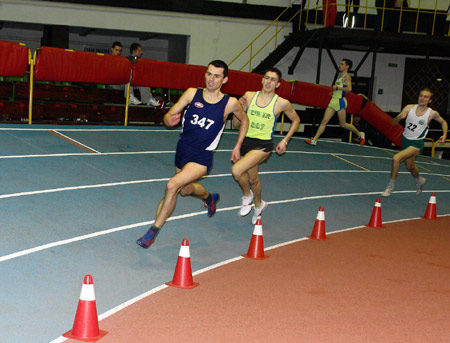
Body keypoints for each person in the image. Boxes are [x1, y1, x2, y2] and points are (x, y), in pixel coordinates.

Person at [136, 60, 249, 248]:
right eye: (209, 74)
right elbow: (168, 116)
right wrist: (167, 120)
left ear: (225, 79)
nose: (211, 79)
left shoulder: (229, 103)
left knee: (172, 185)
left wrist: (238, 146)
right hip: (183, 149)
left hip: (202, 156)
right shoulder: (191, 93)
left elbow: (244, 121)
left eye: (216, 76)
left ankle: (152, 232)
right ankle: (209, 198)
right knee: (185, 189)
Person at [232, 68, 300, 224]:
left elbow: (296, 120)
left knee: (236, 170)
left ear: (278, 84)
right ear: (262, 80)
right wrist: (239, 110)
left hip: (263, 145)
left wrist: (285, 140)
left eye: (273, 80)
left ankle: (247, 195)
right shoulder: (249, 96)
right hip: (245, 142)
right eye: (267, 78)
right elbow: (236, 124)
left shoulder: (282, 103)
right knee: (253, 179)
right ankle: (259, 205)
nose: (269, 82)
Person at [381, 89, 447, 197]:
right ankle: (419, 180)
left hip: (417, 143)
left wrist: (444, 134)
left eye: (426, 97)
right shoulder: (409, 108)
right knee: (410, 166)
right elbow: (393, 123)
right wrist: (399, 117)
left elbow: (443, 122)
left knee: (396, 159)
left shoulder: (432, 113)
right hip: (405, 141)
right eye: (421, 96)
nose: (422, 98)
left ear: (430, 100)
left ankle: (390, 186)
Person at [304, 59, 365, 146]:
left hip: (340, 102)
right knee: (324, 121)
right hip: (334, 101)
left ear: (347, 66)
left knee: (343, 124)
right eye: (340, 64)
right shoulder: (340, 76)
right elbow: (340, 89)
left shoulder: (347, 77)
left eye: (342, 64)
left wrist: (337, 88)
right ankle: (314, 139)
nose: (340, 65)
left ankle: (360, 134)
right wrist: (334, 92)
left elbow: (349, 89)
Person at [127, 42, 160, 107]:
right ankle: (130, 97)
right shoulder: (127, 60)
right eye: (139, 51)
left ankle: (148, 99)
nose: (141, 52)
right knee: (128, 77)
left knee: (142, 81)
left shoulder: (140, 62)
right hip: (125, 83)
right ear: (134, 51)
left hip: (135, 83)